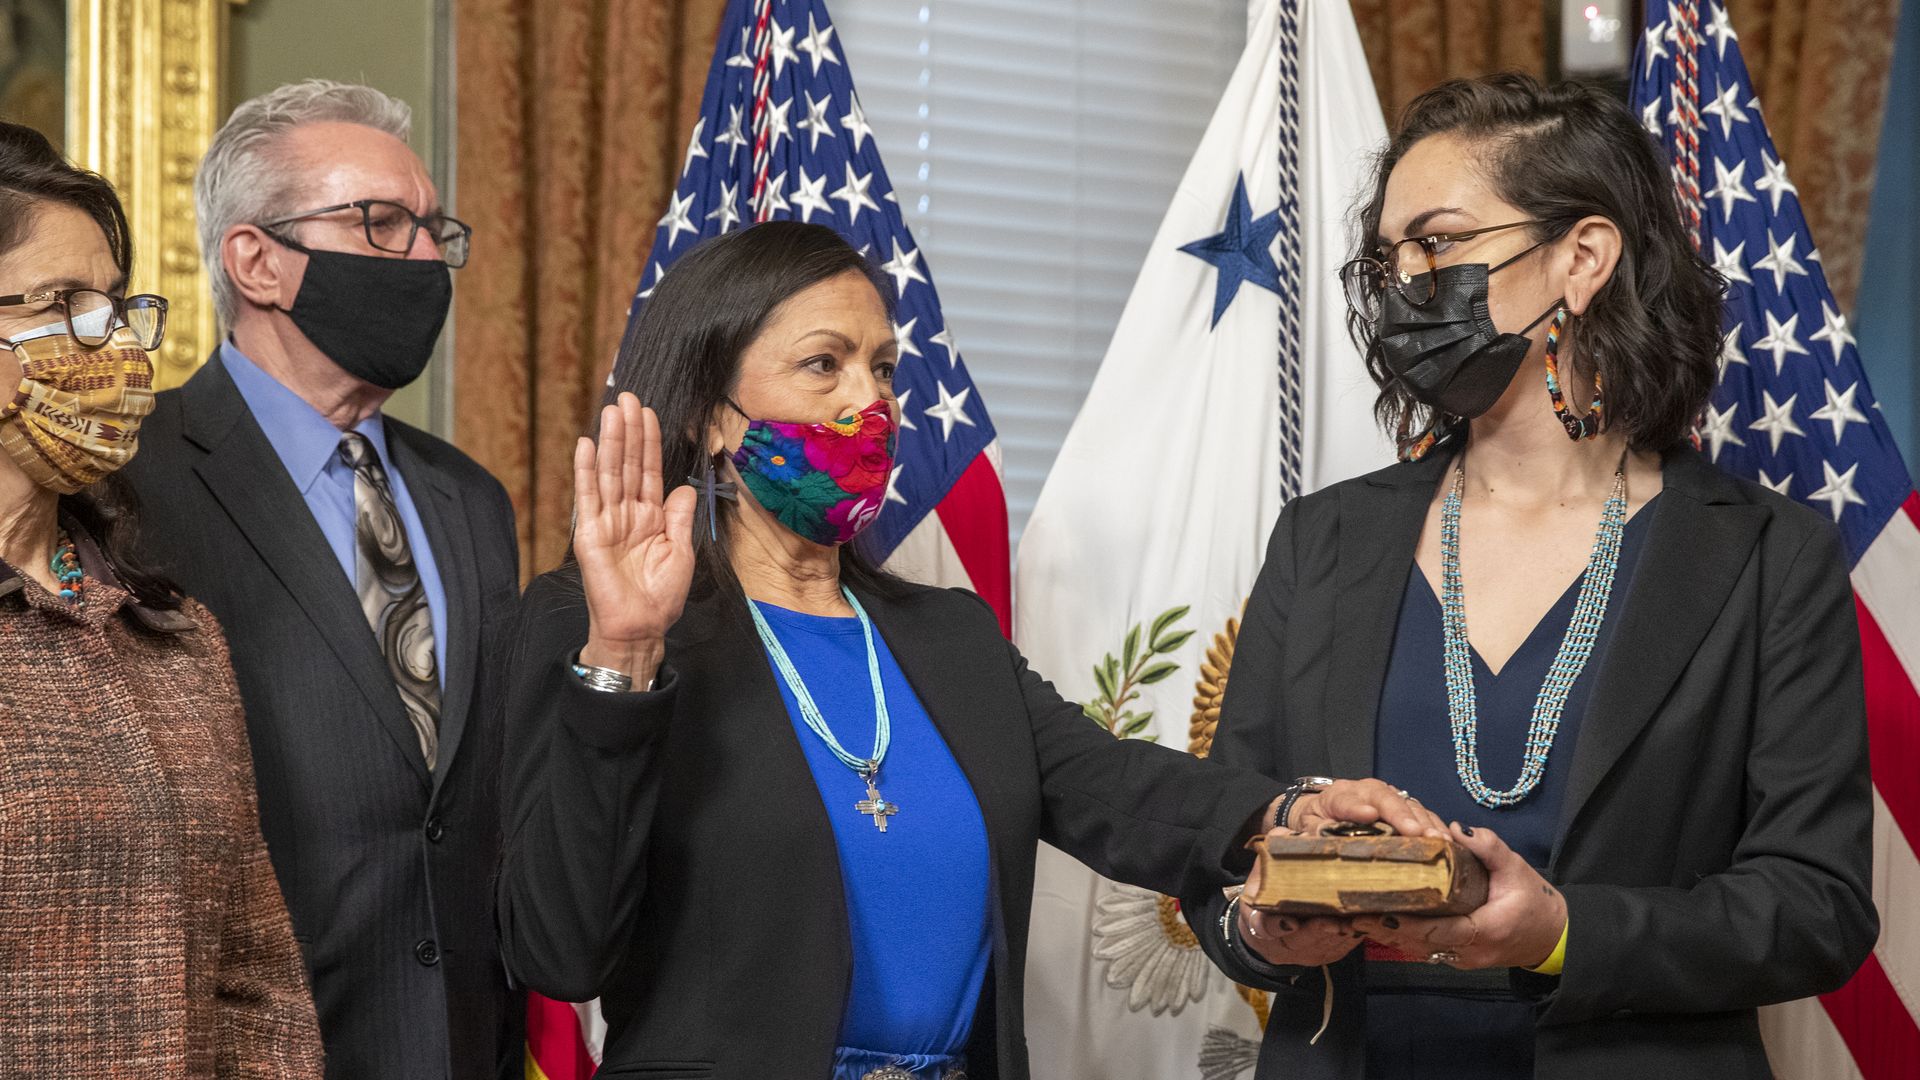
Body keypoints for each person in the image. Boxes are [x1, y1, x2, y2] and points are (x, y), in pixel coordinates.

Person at [495, 220, 1318, 1080]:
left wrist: (1291, 812)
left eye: (883, 368)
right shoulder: (600, 626)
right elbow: (559, 950)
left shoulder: (951, 636)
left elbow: (1118, 789)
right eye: (825, 364)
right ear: (711, 418)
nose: (873, 401)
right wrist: (625, 655)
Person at [1181, 74, 1877, 1079]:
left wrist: (1562, 932)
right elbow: (1221, 843)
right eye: (1387, 256)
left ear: (1582, 258)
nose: (1403, 283)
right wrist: (1261, 928)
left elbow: (1818, 906)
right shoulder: (1321, 538)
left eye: (1438, 243)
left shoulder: (1771, 556)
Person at [122, 80, 521, 1079]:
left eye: (433, 229)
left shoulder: (471, 499)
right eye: (381, 223)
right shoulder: (127, 483)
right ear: (257, 261)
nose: (424, 259)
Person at [0, 122, 324, 1075]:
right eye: (66, 303)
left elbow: (255, 977)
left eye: (114, 304)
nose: (114, 342)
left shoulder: (175, 635)